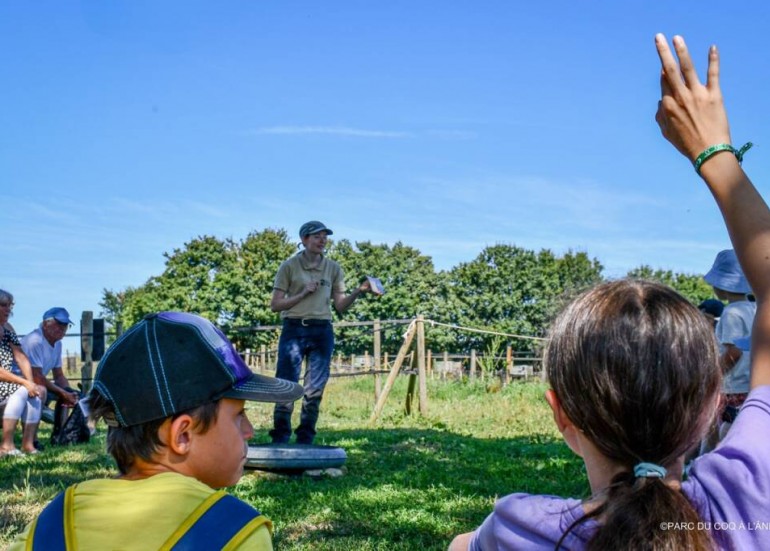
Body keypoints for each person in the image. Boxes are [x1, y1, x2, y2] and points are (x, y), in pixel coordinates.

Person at [449, 34, 770, 550]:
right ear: (713, 405)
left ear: (562, 416)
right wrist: (714, 153)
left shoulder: (517, 530)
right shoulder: (748, 501)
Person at [10, 311, 304, 550]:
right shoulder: (238, 532)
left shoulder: (54, 519)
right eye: (239, 415)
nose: (249, 430)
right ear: (182, 435)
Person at [269, 220, 371, 444]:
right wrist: (303, 293)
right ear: (304, 239)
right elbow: (275, 305)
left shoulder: (333, 268)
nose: (322, 240)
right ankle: (280, 437)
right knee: (286, 383)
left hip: (322, 330)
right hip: (294, 329)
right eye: (317, 236)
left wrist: (359, 291)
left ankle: (305, 437)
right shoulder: (289, 266)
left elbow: (341, 305)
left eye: (325, 236)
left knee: (314, 387)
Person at [19, 308, 79, 441]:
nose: (63, 328)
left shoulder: (58, 344)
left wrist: (68, 392)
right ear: (46, 324)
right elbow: (37, 377)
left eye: (65, 325)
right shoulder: (35, 341)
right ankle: (31, 440)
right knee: (41, 391)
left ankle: (59, 435)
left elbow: (59, 376)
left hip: (33, 381)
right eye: (59, 324)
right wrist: (63, 393)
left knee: (66, 394)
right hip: (18, 382)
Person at [0, 289, 43, 457]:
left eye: (9, 306)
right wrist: (25, 383)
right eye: (3, 305)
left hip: (5, 383)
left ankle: (28, 445)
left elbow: (21, 356)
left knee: (35, 393)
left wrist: (31, 383)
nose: (8, 310)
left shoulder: (8, 328)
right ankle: (7, 445)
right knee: (21, 389)